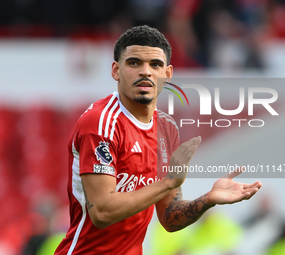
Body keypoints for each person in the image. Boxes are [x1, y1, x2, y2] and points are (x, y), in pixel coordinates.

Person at [54, 25, 262, 255]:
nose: (146, 72)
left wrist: (208, 199)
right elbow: (102, 213)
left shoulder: (166, 129)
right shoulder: (101, 123)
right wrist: (168, 182)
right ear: (115, 70)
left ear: (167, 74)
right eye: (134, 63)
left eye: (155, 64)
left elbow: (170, 217)